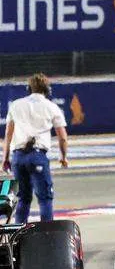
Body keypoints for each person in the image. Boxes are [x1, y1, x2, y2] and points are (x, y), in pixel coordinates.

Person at [2, 73, 68, 223]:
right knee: (45, 198)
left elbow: (8, 135)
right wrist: (63, 157)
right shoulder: (51, 107)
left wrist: (5, 158)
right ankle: (47, 233)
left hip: (18, 157)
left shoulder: (16, 105)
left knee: (23, 198)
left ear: (29, 88)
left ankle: (18, 232)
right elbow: (62, 137)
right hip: (37, 155)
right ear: (47, 90)